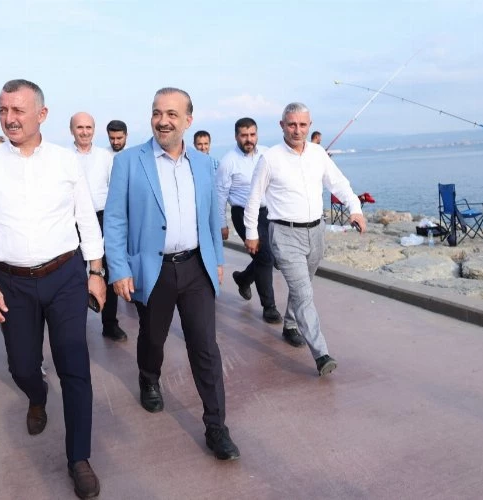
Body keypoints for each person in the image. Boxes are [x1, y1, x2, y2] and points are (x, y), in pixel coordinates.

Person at [0, 79, 105, 499]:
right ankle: (37, 396)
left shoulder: (65, 161)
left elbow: (86, 218)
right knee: (22, 366)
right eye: (3, 110)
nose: (9, 119)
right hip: (11, 282)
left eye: (18, 110)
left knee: (74, 365)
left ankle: (79, 458)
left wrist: (96, 271)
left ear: (41, 114)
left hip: (65, 276)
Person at [104, 87, 240, 461]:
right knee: (153, 338)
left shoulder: (204, 164)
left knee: (205, 347)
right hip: (154, 270)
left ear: (188, 121)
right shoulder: (129, 162)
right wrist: (119, 268)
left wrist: (216, 260)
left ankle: (216, 427)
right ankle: (149, 378)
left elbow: (211, 216)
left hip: (196, 268)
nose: (162, 121)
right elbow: (114, 220)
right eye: (157, 113)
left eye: (171, 114)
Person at [244, 102, 366, 376]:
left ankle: (290, 324)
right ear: (282, 126)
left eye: (302, 125)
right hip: (284, 233)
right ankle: (321, 354)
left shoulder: (318, 154)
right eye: (291, 124)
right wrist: (251, 233)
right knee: (304, 293)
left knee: (303, 287)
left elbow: (338, 183)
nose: (297, 130)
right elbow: (253, 198)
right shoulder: (270, 159)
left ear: (309, 125)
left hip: (316, 232)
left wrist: (355, 209)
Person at [216, 118, 283, 325]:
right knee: (264, 257)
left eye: (252, 135)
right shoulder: (228, 162)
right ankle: (269, 307)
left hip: (268, 213)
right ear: (236, 136)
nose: (249, 139)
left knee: (268, 257)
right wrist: (222, 224)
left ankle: (244, 278)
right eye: (244, 135)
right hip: (242, 214)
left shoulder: (267, 154)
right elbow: (220, 195)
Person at [70, 112, 128, 342]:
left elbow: (116, 190)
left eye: (88, 127)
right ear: (72, 130)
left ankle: (110, 324)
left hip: (103, 218)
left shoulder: (106, 157)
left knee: (108, 272)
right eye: (80, 127)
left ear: (94, 130)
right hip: (73, 221)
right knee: (74, 275)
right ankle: (75, 326)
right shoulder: (64, 158)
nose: (84, 132)